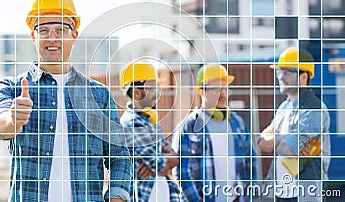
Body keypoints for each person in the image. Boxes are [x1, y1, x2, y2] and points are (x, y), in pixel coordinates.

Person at [0, 0, 132, 201]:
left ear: (74, 35)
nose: (52, 38)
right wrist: (12, 120)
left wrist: (117, 197)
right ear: (33, 36)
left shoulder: (98, 95)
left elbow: (120, 156)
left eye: (60, 29)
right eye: (44, 30)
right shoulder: (12, 88)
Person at [172, 64, 257, 202]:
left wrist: (248, 196)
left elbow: (251, 161)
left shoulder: (238, 124)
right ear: (202, 91)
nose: (223, 94)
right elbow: (182, 172)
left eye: (225, 89)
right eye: (217, 89)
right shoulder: (188, 127)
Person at [258, 47, 331, 202]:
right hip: (279, 193)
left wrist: (277, 142)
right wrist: (283, 140)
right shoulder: (283, 108)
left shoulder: (314, 108)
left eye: (287, 72)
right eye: (279, 72)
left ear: (303, 76)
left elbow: (289, 148)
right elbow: (261, 143)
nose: (280, 77)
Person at [119, 60, 183, 202]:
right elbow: (159, 164)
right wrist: (162, 161)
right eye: (152, 88)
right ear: (136, 92)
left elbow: (172, 160)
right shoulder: (132, 123)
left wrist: (162, 162)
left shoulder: (150, 121)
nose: (157, 93)